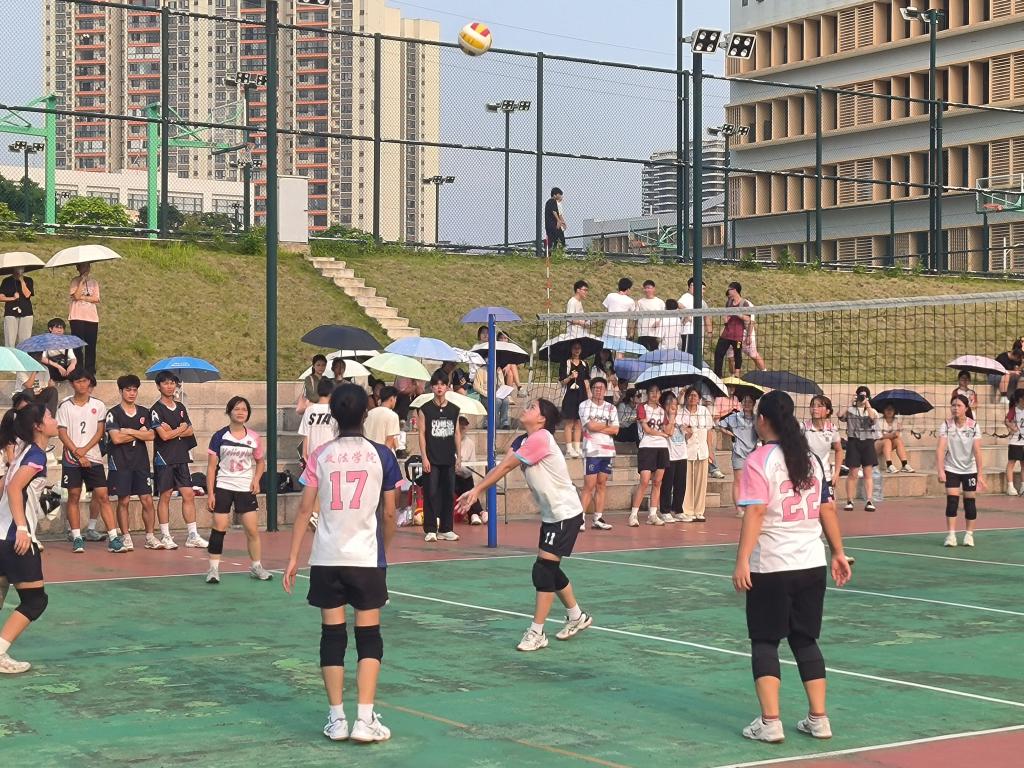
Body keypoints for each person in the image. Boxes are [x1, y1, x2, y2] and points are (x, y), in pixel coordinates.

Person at [732, 390, 852, 744]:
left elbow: (755, 511)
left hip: (772, 564)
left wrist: (742, 560)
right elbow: (827, 508)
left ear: (763, 420)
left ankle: (771, 722)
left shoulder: (760, 460)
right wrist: (838, 552)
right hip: (811, 563)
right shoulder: (810, 458)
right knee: (805, 640)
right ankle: (819, 718)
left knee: (765, 640)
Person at [283, 383, 400, 743]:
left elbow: (304, 509)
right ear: (366, 413)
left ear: (332, 414)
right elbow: (391, 513)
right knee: (369, 637)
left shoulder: (321, 454)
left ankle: (337, 719)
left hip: (327, 557)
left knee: (332, 637)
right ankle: (364, 718)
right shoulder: (382, 455)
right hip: (365, 557)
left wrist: (293, 558)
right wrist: (384, 550)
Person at [456, 399, 592, 652]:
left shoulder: (541, 438)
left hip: (565, 513)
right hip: (552, 515)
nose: (526, 409)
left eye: (532, 407)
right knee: (549, 569)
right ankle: (576, 616)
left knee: (543, 571)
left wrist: (477, 490)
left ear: (542, 419)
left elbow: (509, 466)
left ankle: (537, 632)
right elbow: (502, 466)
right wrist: (476, 490)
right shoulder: (523, 440)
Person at [0, 404, 56, 673]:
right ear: (38, 426)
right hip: (14, 538)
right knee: (35, 601)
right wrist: (22, 528)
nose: (54, 419)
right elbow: (13, 487)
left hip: (2, 534)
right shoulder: (35, 454)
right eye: (49, 416)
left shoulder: (23, 450)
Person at [57, 370, 125, 553]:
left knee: (103, 495)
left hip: (93, 457)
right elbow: (62, 433)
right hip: (72, 458)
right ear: (72, 384)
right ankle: (77, 537)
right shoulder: (65, 406)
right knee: (74, 495)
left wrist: (85, 451)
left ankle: (113, 537)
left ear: (89, 382)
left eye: (85, 381)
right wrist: (77, 454)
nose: (82, 385)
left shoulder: (98, 405)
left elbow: (99, 431)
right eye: (78, 381)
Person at [205, 396, 271, 583]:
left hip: (245, 487)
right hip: (224, 486)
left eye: (244, 409)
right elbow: (211, 467)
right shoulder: (219, 436)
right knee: (219, 528)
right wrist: (211, 493)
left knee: (252, 530)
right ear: (229, 412)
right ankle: (213, 569)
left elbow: (260, 462)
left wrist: (256, 480)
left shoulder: (254, 437)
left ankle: (256, 566)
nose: (241, 412)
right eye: (237, 409)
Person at [105, 375, 169, 551]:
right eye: (128, 390)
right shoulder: (113, 413)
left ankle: (150, 536)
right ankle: (126, 536)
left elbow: (151, 435)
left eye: (134, 390)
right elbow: (116, 438)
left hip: (140, 462)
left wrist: (129, 431)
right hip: (120, 462)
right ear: (121, 391)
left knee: (147, 500)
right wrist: (139, 433)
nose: (132, 393)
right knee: (124, 500)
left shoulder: (144, 412)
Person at [150, 371, 208, 549]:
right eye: (165, 383)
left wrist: (174, 430)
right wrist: (180, 429)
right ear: (159, 386)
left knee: (188, 494)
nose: (169, 386)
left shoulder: (181, 406)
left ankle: (192, 535)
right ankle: (165, 535)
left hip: (181, 457)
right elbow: (164, 436)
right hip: (164, 458)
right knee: (165, 495)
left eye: (172, 383)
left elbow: (190, 430)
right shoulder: (155, 410)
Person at [417, 372, 462, 543]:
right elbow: (421, 434)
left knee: (448, 493)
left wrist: (459, 456)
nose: (439, 387)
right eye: (436, 384)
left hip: (448, 457)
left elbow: (457, 433)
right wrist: (424, 457)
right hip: (432, 458)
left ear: (447, 387)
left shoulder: (454, 409)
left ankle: (446, 528)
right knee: (431, 492)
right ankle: (430, 529)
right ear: (432, 387)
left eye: (443, 384)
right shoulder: (425, 409)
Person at [937, 394, 986, 548]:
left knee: (969, 502)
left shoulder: (973, 426)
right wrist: (941, 470)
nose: (955, 408)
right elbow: (940, 449)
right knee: (952, 501)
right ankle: (951, 535)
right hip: (951, 468)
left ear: (966, 408)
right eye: (953, 405)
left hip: (969, 469)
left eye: (958, 405)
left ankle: (969, 535)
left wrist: (980, 474)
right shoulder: (946, 425)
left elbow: (977, 451)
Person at [628, 384, 671, 527]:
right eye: (652, 391)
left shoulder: (662, 410)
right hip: (647, 446)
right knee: (645, 481)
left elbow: (668, 430)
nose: (655, 394)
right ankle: (633, 515)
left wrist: (672, 415)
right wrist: (662, 434)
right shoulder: (642, 407)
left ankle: (652, 514)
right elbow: (646, 429)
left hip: (662, 447)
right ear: (647, 393)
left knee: (658, 482)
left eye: (657, 391)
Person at [578, 377, 617, 531]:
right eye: (596, 388)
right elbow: (590, 426)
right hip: (591, 450)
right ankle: (580, 519)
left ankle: (598, 518)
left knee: (602, 484)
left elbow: (616, 429)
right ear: (591, 389)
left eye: (601, 388)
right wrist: (606, 425)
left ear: (605, 390)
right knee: (589, 484)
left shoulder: (611, 408)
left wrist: (600, 426)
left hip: (607, 450)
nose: (598, 391)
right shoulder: (584, 405)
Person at [719, 394, 760, 519]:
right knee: (738, 481)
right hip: (739, 452)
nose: (747, 404)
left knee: (751, 481)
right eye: (745, 401)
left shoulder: (757, 418)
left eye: (750, 402)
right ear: (741, 403)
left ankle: (748, 506)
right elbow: (720, 424)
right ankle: (738, 509)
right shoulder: (735, 417)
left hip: (753, 452)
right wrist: (730, 434)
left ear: (754, 404)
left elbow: (761, 433)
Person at [838, 386, 879, 512]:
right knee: (853, 473)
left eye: (864, 396)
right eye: (860, 396)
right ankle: (849, 500)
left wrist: (867, 404)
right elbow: (840, 415)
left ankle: (869, 500)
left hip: (867, 442)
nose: (862, 398)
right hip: (853, 442)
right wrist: (850, 403)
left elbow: (872, 419)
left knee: (868, 473)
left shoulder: (872, 410)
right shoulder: (851, 410)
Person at [801, 396, 843, 509]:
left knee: (831, 508)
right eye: (813, 406)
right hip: (807, 475)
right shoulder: (803, 428)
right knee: (808, 509)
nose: (815, 408)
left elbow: (839, 450)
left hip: (825, 476)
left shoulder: (832, 429)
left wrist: (836, 473)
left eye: (819, 406)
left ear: (828, 411)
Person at [681, 386, 714, 523]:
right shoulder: (681, 412)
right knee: (688, 482)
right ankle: (687, 511)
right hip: (687, 452)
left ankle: (699, 511)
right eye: (690, 395)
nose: (692, 398)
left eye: (695, 395)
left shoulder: (704, 411)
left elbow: (709, 431)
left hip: (703, 452)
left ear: (699, 398)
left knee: (701, 483)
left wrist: (711, 451)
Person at [0, 267, 34, 388]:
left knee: (25, 341)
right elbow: (1, 297)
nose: (19, 270)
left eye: (21, 269)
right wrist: (12, 298)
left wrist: (22, 280)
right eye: (17, 269)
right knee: (10, 339)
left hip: (26, 312)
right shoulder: (6, 281)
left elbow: (28, 294)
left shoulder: (28, 280)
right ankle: (11, 366)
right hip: (11, 313)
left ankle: (23, 364)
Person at [68, 262, 101, 375]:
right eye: (83, 266)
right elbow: (76, 296)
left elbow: (96, 299)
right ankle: (78, 370)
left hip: (91, 317)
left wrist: (83, 298)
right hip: (77, 316)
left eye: (87, 266)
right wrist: (82, 281)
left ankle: (90, 371)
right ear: (78, 268)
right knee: (77, 345)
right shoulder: (74, 281)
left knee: (91, 345)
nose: (86, 269)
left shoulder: (94, 282)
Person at [714, 282, 751, 378]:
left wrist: (739, 314)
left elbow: (748, 318)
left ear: (734, 290)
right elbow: (726, 316)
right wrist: (726, 318)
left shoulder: (744, 303)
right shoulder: (729, 302)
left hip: (737, 336)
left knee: (737, 353)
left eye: (729, 289)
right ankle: (717, 375)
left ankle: (737, 374)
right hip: (726, 334)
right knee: (718, 353)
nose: (728, 291)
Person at [559, 341, 590, 459]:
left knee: (579, 422)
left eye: (579, 348)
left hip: (582, 395)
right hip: (570, 395)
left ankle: (577, 447)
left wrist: (589, 394)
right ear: (571, 349)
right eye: (575, 348)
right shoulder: (566, 363)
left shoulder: (585, 364)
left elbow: (586, 380)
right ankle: (569, 448)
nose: (577, 350)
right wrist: (571, 377)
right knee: (569, 422)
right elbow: (562, 382)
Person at [660, 390, 687, 522]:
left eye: (675, 404)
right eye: (670, 404)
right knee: (667, 484)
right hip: (669, 455)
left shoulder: (680, 417)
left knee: (680, 484)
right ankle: (664, 510)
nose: (673, 407)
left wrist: (687, 430)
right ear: (664, 405)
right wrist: (671, 417)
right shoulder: (663, 417)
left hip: (682, 454)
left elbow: (688, 434)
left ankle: (677, 509)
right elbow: (668, 432)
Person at [454, 416, 485, 525]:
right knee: (463, 483)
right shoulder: (450, 442)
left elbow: (471, 467)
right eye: (460, 427)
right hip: (451, 475)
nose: (462, 429)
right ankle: (478, 512)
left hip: (464, 475)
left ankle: (475, 513)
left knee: (467, 482)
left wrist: (461, 468)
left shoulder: (470, 443)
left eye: (464, 427)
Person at [300, 377, 338, 463]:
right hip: (330, 455)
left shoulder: (309, 410)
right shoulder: (334, 410)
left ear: (318, 391)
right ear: (331, 393)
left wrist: (304, 453)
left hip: (313, 456)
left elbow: (305, 434)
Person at [40, 317, 77, 401]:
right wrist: (58, 366)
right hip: (52, 367)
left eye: (61, 328)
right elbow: (42, 358)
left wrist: (72, 364)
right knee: (46, 369)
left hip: (64, 366)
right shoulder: (45, 342)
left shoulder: (67, 342)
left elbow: (73, 358)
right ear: (50, 329)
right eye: (57, 327)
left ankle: (71, 396)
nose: (59, 330)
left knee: (75, 370)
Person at [679, 277, 712, 358]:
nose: (703, 291)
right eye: (692, 285)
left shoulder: (702, 301)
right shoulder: (686, 296)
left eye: (704, 289)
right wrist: (687, 314)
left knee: (696, 355)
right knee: (687, 356)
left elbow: (707, 317)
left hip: (699, 333)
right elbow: (678, 304)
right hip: (689, 331)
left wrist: (709, 331)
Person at [875, 404, 912, 474]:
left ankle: (904, 464)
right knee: (887, 441)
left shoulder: (897, 421)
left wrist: (898, 430)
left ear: (894, 411)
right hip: (876, 445)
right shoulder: (879, 421)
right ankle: (889, 465)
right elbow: (880, 436)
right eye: (887, 409)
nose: (889, 411)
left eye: (891, 409)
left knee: (898, 441)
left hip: (888, 445)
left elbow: (898, 436)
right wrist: (893, 434)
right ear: (883, 410)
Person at [364, 385, 400, 453]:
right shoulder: (392, 416)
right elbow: (389, 442)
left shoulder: (369, 414)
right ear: (392, 398)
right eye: (395, 399)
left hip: (369, 453)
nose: (395, 401)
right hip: (383, 454)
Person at [1004, 388, 1024, 496]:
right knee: (1011, 463)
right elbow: (1006, 420)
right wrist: (1012, 427)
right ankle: (1010, 486)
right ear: (1020, 399)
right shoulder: (1014, 410)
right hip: (1015, 441)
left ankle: (1023, 486)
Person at [635, 280, 665, 351]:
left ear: (654, 289)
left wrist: (659, 322)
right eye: (645, 288)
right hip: (643, 333)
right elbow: (635, 317)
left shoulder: (660, 302)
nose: (647, 290)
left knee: (654, 354)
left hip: (655, 333)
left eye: (649, 288)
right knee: (642, 354)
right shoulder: (640, 302)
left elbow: (664, 317)